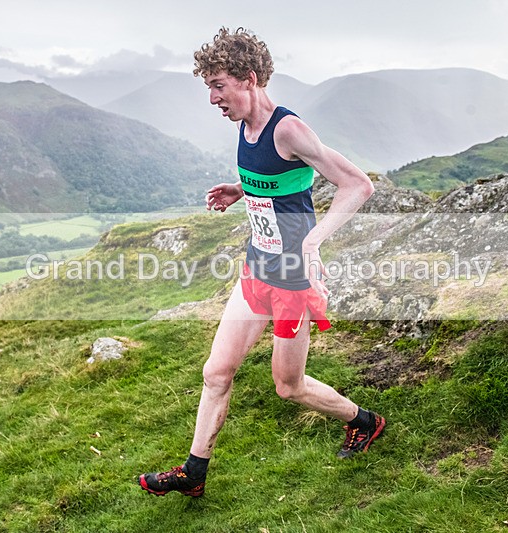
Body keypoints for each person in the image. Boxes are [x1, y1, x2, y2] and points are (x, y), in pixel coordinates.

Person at [139, 27, 385, 498]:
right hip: (256, 271)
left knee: (288, 387)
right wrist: (242, 189)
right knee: (216, 372)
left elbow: (358, 185)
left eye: (218, 86)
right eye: (209, 87)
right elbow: (278, 179)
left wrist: (312, 242)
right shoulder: (244, 126)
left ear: (249, 79)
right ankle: (193, 473)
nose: (212, 98)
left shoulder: (288, 129)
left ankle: (364, 421)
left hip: (292, 282)